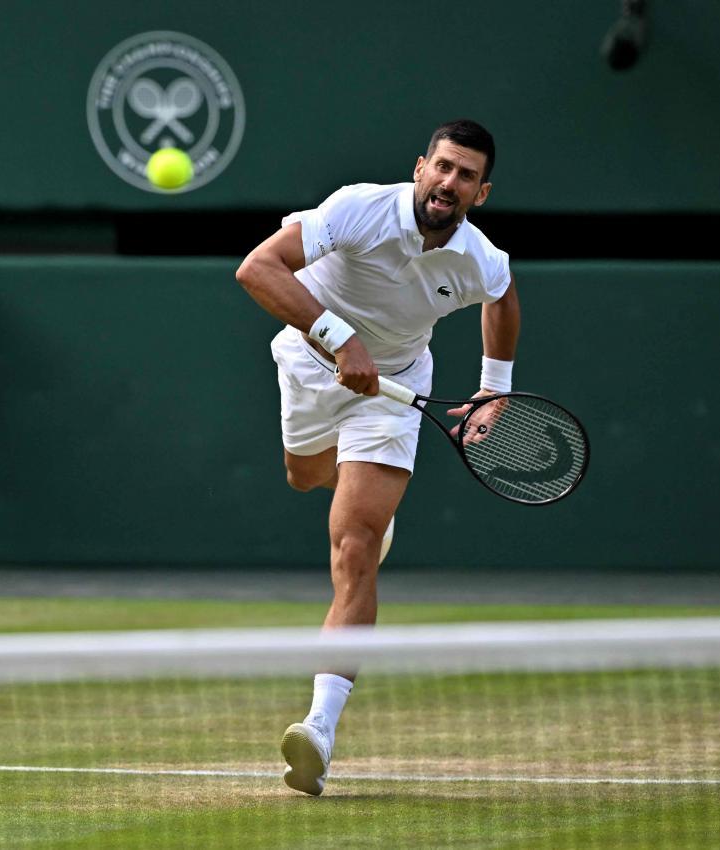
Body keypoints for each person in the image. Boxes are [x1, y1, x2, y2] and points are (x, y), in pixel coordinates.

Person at [234, 119, 520, 795]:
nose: (449, 182)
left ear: (481, 193)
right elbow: (257, 267)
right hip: (311, 367)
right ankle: (354, 491)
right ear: (420, 167)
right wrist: (340, 340)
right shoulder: (358, 208)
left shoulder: (479, 258)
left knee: (355, 545)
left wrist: (494, 387)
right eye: (442, 167)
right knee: (304, 476)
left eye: (466, 176)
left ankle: (319, 728)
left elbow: (502, 296)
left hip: (393, 391)